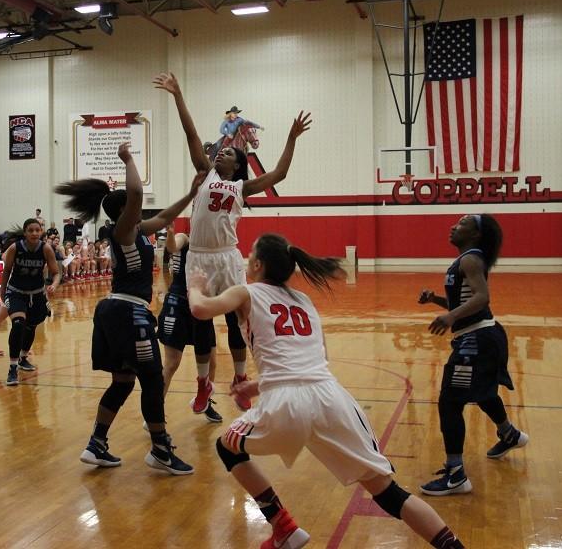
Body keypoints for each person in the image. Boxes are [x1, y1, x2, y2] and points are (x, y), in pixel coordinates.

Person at [188, 233, 467, 549]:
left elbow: (200, 310)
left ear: (256, 264)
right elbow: (312, 362)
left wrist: (195, 285)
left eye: (250, 254)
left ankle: (284, 527)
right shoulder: (305, 301)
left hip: (286, 402)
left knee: (228, 448)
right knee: (389, 493)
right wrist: (256, 385)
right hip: (331, 399)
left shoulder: (245, 292)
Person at [155, 71, 311, 413]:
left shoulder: (241, 187)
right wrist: (177, 95)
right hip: (198, 255)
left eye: (227, 154)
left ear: (238, 164)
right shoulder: (206, 173)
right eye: (220, 152)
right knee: (200, 320)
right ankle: (202, 382)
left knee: (239, 318)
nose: (220, 153)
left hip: (226, 256)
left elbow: (279, 174)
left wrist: (291, 137)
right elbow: (191, 133)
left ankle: (241, 378)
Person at [56, 141, 202, 476]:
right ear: (126, 211)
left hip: (115, 312)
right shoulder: (121, 230)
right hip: (128, 312)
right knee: (151, 379)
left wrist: (191, 193)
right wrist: (128, 159)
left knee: (123, 381)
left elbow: (166, 216)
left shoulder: (136, 231)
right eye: (135, 207)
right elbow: (136, 194)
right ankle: (160, 450)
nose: (141, 210)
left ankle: (96, 444)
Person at [417, 214, 528, 496]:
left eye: (462, 223)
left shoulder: (470, 259)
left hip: (477, 338)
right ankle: (510, 434)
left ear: (476, 234)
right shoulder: (466, 260)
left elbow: (482, 297)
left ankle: (456, 475)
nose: (453, 226)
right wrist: (437, 301)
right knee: (484, 391)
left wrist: (449, 316)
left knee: (450, 402)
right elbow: (465, 301)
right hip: (481, 335)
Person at [157, 223, 221, 423]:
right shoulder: (186, 237)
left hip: (201, 305)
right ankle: (155, 412)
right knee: (172, 363)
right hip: (179, 303)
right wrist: (170, 233)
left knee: (212, 362)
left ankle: (205, 401)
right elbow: (172, 247)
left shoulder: (217, 247)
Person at [0, 219, 60, 386]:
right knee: (18, 324)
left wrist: (53, 285)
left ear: (41, 232)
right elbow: (7, 271)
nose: (34, 233)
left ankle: (23, 357)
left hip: (37, 294)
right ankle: (12, 367)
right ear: (25, 233)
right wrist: (2, 293)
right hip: (16, 292)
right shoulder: (15, 248)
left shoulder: (46, 249)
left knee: (31, 326)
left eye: (37, 230)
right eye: (30, 230)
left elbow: (56, 273)